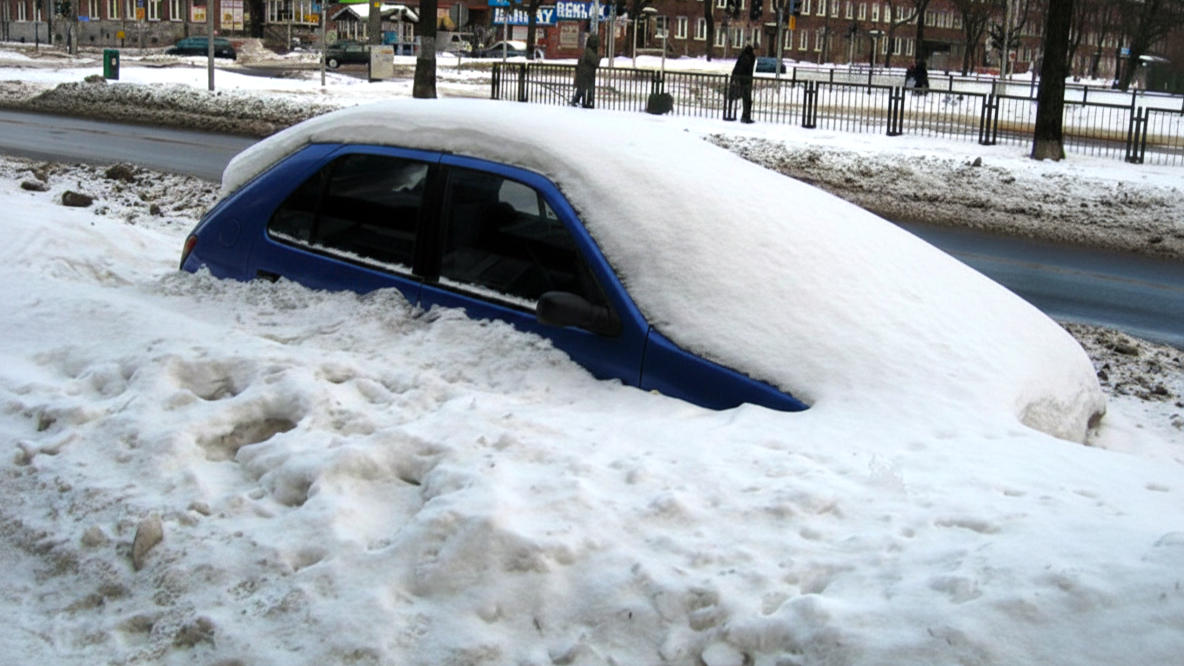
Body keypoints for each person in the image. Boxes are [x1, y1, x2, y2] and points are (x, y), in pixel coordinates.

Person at [728, 45, 757, 124]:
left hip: (740, 79)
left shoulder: (743, 56)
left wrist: (734, 78)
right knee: (747, 99)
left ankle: (736, 115)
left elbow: (737, 68)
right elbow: (747, 69)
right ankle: (745, 117)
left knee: (743, 99)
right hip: (745, 80)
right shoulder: (750, 58)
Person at [571, 35, 600, 109]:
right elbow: (596, 62)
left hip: (585, 74)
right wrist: (599, 57)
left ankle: (578, 101)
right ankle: (585, 103)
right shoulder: (589, 52)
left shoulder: (587, 51)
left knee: (581, 90)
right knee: (584, 90)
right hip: (586, 75)